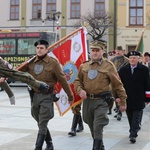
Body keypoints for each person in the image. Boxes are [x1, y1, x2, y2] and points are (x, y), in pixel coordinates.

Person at [20, 39, 74, 150]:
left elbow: (62, 80)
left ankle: (38, 147)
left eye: (41, 48)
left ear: (46, 49)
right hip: (34, 95)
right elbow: (19, 72)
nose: (39, 50)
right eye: (37, 48)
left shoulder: (53, 63)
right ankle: (49, 143)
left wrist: (70, 95)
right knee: (39, 122)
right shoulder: (30, 61)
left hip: (47, 96)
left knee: (43, 122)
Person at [74, 40, 127, 150]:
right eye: (93, 50)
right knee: (91, 124)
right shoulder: (84, 66)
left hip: (102, 101)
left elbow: (118, 84)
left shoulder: (109, 66)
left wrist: (123, 101)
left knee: (98, 126)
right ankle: (100, 147)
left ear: (102, 51)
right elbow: (77, 80)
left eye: (97, 50)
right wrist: (80, 90)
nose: (95, 53)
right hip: (88, 101)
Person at [118, 50, 150, 144]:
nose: (132, 59)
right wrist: (118, 96)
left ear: (138, 59)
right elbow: (119, 85)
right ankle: (134, 128)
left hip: (139, 97)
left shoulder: (144, 69)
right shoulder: (123, 70)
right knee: (130, 116)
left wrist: (148, 98)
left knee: (136, 116)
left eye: (134, 58)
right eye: (131, 58)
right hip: (127, 97)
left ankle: (133, 134)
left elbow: (147, 84)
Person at [110, 46, 129, 120]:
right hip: (114, 80)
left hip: (122, 80)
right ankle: (118, 110)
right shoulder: (112, 59)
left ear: (122, 51)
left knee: (121, 95)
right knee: (115, 96)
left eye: (119, 51)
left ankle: (119, 112)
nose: (118, 52)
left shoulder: (126, 60)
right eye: (117, 50)